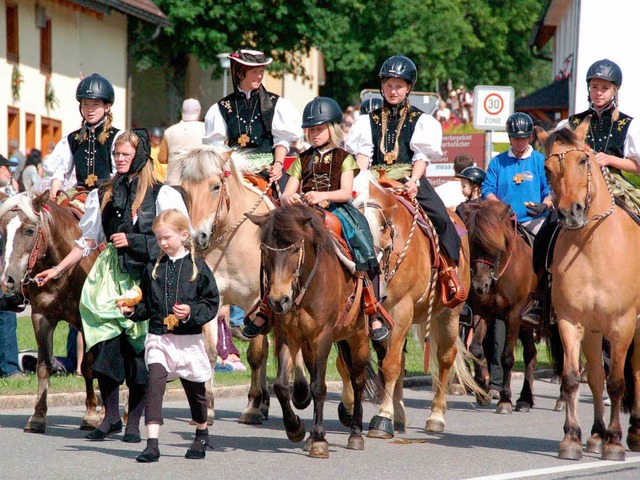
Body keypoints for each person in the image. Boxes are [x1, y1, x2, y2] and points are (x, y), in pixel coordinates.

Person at [35, 129, 189, 444]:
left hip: (148, 277)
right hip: (111, 277)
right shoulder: (102, 193)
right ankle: (110, 417)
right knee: (103, 346)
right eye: (116, 155)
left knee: (138, 353)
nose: (119, 159)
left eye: (125, 155)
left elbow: (177, 238)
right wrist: (56, 269)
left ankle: (134, 422)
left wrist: (134, 240)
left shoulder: (163, 195)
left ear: (140, 156)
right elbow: (87, 241)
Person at [244, 97, 391, 341]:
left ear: (332, 129)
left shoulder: (345, 157)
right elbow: (290, 190)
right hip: (305, 211)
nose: (314, 134)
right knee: (276, 246)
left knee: (364, 246)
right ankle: (266, 307)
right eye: (311, 130)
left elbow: (345, 192)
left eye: (319, 129)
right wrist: (291, 198)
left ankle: (372, 308)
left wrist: (320, 195)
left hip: (337, 209)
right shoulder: (302, 159)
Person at [346, 54, 465, 305]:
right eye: (388, 85)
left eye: (399, 85)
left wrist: (414, 180)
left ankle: (450, 271)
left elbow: (421, 156)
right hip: (375, 181)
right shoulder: (367, 120)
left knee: (442, 218)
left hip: (408, 180)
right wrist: (359, 183)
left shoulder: (420, 120)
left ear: (409, 87)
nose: (393, 91)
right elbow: (362, 158)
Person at [117, 208, 219, 462]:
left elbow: (211, 302)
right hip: (159, 337)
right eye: (159, 238)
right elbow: (146, 306)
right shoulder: (153, 267)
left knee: (196, 392)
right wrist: (131, 310)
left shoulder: (198, 267)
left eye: (167, 238)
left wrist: (191, 311)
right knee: (154, 383)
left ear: (184, 236)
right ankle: (152, 444)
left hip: (188, 340)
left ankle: (201, 433)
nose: (162, 243)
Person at [483, 112, 552, 329]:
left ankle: (541, 299)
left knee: (550, 249)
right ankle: (476, 298)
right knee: (482, 246)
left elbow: (550, 191)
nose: (519, 142)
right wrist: (501, 208)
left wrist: (546, 205)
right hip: (505, 221)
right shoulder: (498, 162)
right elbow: (487, 190)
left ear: (530, 137)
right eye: (515, 138)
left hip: (534, 220)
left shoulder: (540, 161)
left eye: (523, 138)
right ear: (509, 138)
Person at [203, 49, 302, 192]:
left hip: (268, 171)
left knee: (288, 204)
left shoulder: (276, 104)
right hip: (235, 172)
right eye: (254, 72)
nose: (259, 76)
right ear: (240, 73)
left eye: (261, 71)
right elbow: (216, 146)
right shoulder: (222, 108)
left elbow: (281, 140)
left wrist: (279, 165)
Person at [44, 73, 121, 200]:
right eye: (85, 104)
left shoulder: (117, 137)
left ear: (107, 107)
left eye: (95, 104)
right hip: (79, 193)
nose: (89, 109)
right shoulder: (72, 139)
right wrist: (55, 190)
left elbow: (118, 173)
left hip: (108, 194)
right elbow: (60, 169)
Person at [158, 98, 205, 186]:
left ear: (182, 112)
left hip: (174, 183)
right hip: (198, 184)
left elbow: (162, 158)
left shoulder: (169, 131)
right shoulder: (206, 129)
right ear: (199, 111)